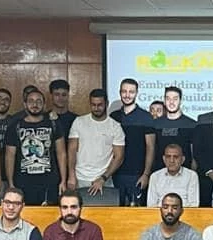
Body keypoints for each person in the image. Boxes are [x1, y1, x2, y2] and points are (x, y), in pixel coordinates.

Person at [5, 87, 66, 206]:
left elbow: (61, 153)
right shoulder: (15, 126)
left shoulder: (53, 124)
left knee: (48, 214)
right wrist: (11, 183)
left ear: (44, 105)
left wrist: (63, 180)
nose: (35, 104)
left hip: (49, 182)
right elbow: (9, 156)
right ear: (25, 104)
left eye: (39, 101)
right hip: (22, 182)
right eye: (31, 101)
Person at [66, 88, 125, 202]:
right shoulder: (79, 122)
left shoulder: (115, 127)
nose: (96, 108)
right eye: (93, 105)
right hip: (79, 178)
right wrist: (71, 175)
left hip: (104, 179)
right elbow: (72, 150)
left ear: (106, 104)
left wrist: (103, 178)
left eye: (100, 105)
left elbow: (119, 157)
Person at [110, 78, 156, 206]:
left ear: (136, 93)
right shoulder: (113, 116)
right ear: (120, 92)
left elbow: (151, 147)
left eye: (131, 92)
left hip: (137, 175)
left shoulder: (146, 117)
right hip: (115, 174)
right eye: (124, 91)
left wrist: (146, 174)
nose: (127, 95)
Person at [152, 86, 198, 177]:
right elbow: (151, 151)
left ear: (180, 101)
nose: (171, 102)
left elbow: (195, 156)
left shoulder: (192, 124)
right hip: (159, 176)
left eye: (175, 99)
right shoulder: (155, 124)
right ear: (164, 101)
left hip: (184, 176)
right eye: (168, 99)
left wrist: (192, 176)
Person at [147, 143, 199, 208]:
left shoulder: (192, 176)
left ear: (182, 160)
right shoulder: (155, 176)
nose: (171, 160)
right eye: (168, 157)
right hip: (159, 213)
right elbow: (151, 205)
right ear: (164, 159)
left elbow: (194, 205)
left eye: (176, 157)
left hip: (185, 213)